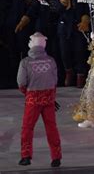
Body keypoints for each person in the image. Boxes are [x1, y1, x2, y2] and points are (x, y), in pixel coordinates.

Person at [17, 32, 62, 167]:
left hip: (33, 100)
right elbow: (54, 81)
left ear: (31, 44)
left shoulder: (25, 62)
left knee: (27, 128)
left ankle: (26, 156)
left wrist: (29, 94)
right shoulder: (51, 61)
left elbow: (21, 82)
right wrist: (51, 97)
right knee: (51, 128)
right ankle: (56, 157)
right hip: (48, 99)